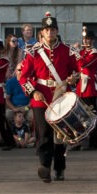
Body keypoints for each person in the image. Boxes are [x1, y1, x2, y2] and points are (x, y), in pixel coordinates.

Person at [19, 12, 77, 182]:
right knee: (43, 133)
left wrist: (73, 78)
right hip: (40, 97)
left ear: (56, 31)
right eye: (47, 30)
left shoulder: (66, 50)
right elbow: (24, 76)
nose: (50, 33)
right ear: (42, 32)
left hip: (60, 97)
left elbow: (75, 71)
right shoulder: (33, 51)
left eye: (52, 30)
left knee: (60, 136)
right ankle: (44, 166)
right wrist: (32, 91)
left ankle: (59, 168)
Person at [74, 26, 97, 150]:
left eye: (90, 39)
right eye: (85, 39)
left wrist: (75, 52)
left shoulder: (95, 53)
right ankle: (79, 141)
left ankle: (93, 142)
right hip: (80, 86)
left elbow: (83, 64)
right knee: (79, 116)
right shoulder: (81, 53)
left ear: (93, 40)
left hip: (89, 87)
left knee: (90, 116)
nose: (87, 42)